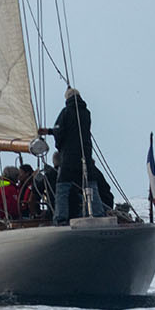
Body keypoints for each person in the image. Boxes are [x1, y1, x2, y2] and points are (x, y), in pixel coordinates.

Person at [53, 88, 107, 223]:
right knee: (90, 185)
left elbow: (59, 132)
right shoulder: (86, 113)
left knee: (62, 188)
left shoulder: (66, 112)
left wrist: (59, 147)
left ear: (67, 99)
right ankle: (98, 214)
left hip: (69, 158)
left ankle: (60, 219)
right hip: (86, 156)